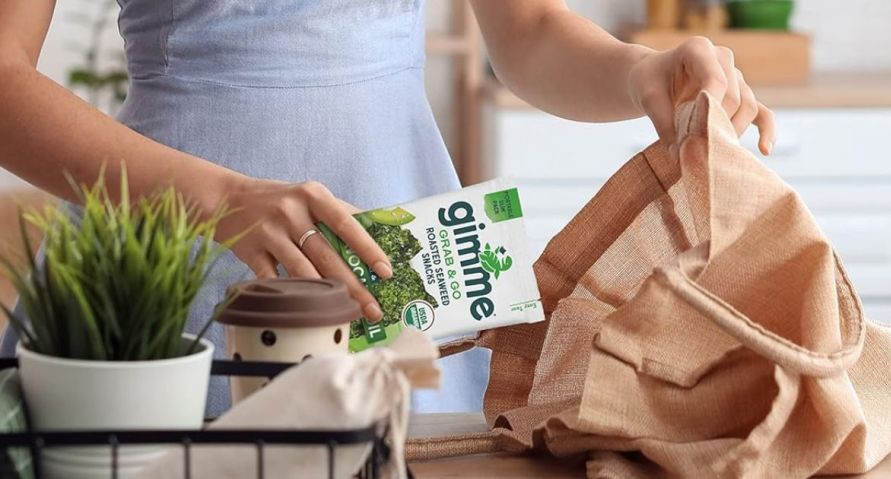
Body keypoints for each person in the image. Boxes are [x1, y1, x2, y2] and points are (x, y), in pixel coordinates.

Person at [0, 0, 774, 414]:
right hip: (174, 254)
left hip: (405, 255)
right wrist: (220, 199)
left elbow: (530, 30)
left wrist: (642, 72)